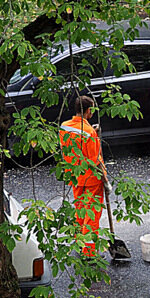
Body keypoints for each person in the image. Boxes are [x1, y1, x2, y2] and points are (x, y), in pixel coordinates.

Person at [59, 95, 105, 256]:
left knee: (80, 210)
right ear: (88, 111)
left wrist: (92, 131)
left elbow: (75, 143)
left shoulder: (64, 127)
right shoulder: (89, 132)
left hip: (75, 176)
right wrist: (104, 177)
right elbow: (94, 159)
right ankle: (89, 251)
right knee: (91, 215)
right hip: (91, 178)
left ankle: (79, 243)